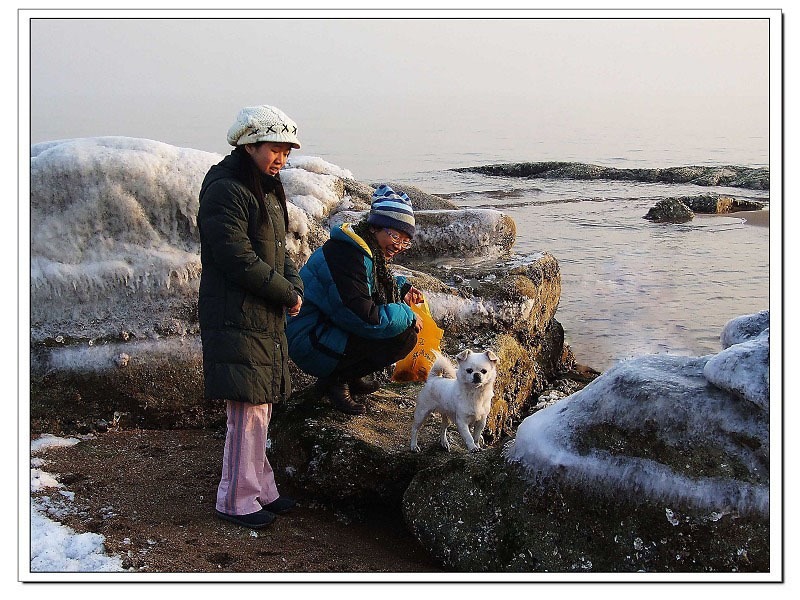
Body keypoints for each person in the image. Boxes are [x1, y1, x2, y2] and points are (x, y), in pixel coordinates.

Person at [197, 105, 304, 529]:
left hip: (260, 312)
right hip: (237, 313)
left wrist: (293, 286)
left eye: (286, 151)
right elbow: (235, 256)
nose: (281, 158)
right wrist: (282, 291)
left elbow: (280, 251)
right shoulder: (228, 188)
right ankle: (236, 500)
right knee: (247, 407)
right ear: (249, 144)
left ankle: (261, 487)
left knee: (261, 405)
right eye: (274, 149)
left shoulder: (265, 187)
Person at [287, 184, 424, 415]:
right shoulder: (346, 256)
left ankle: (350, 375)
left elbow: (369, 288)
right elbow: (361, 316)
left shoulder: (363, 249)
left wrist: (402, 289)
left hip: (325, 329)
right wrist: (407, 315)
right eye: (394, 235)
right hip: (308, 339)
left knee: (398, 329)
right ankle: (335, 380)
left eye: (405, 240)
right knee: (404, 335)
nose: (398, 246)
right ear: (374, 227)